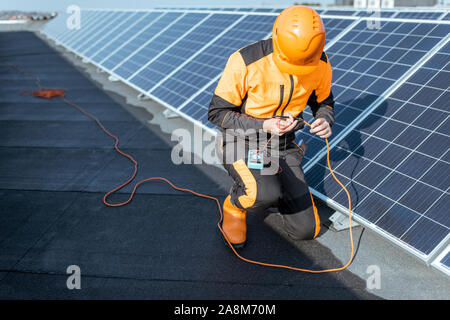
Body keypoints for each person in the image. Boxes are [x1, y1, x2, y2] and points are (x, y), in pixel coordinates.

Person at [208, 6, 335, 248]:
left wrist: (325, 119)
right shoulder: (246, 60)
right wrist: (264, 124)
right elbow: (217, 113)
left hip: (284, 146)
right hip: (241, 142)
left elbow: (324, 103)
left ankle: (275, 186)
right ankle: (234, 207)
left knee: (306, 230)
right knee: (260, 194)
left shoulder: (321, 63)